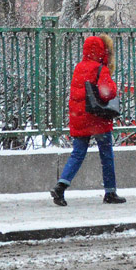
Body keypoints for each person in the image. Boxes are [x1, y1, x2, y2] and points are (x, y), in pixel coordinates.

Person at [51, 35, 126, 205]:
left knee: (77, 154)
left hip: (80, 116)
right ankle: (110, 192)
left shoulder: (79, 67)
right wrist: (113, 85)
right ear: (101, 51)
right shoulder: (101, 68)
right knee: (106, 155)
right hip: (98, 119)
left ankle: (60, 186)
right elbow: (107, 93)